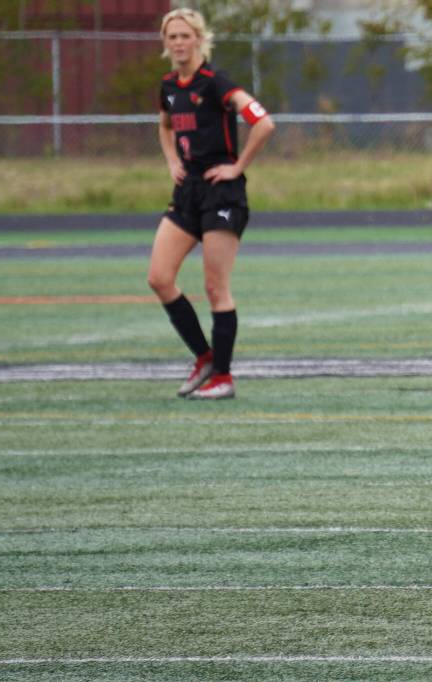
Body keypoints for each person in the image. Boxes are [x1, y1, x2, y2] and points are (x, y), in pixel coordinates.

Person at [147, 8, 275, 400]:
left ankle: (223, 376)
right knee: (159, 278)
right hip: (188, 194)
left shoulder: (216, 82)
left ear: (200, 39)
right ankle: (204, 357)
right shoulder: (169, 85)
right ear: (166, 43)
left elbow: (264, 122)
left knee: (215, 287)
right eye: (173, 37)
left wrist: (237, 167)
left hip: (222, 194)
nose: (179, 43)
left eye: (186, 36)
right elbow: (166, 124)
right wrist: (171, 160)